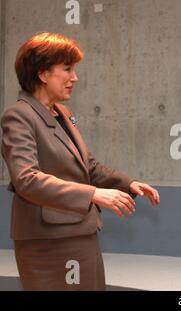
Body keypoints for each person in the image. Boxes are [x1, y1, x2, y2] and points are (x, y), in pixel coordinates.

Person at [1, 32, 160, 291]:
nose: (75, 77)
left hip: (79, 232)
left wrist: (129, 183)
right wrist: (94, 194)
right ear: (43, 74)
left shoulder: (65, 113)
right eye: (67, 69)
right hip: (48, 242)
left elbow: (87, 165)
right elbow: (26, 179)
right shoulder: (18, 116)